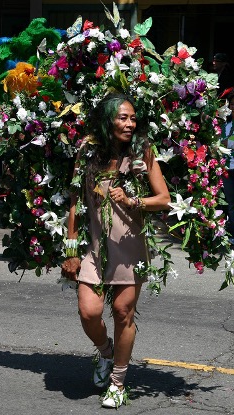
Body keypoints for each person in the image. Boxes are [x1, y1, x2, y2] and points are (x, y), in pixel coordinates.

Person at [61, 93, 170, 408]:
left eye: (133, 118)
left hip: (130, 249)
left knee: (123, 313)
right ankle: (106, 352)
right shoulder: (87, 153)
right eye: (123, 117)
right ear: (108, 120)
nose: (130, 123)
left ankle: (118, 384)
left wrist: (134, 200)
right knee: (88, 311)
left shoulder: (141, 153)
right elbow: (74, 203)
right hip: (96, 249)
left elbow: (163, 199)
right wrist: (70, 249)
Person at [221, 92, 234, 245]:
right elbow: (219, 143)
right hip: (227, 169)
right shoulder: (225, 126)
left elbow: (226, 143)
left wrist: (227, 143)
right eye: (231, 105)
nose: (233, 107)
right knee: (231, 204)